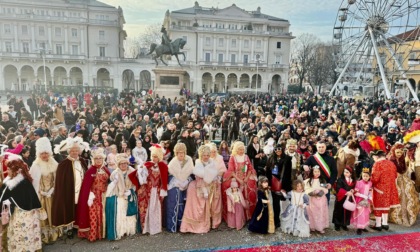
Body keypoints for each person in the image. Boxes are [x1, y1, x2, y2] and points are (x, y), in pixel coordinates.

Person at [0, 158, 43, 252]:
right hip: (18, 213)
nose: (7, 171)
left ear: (16, 170)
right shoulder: (11, 180)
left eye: (9, 169)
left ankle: (24, 249)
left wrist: (9, 201)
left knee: (23, 232)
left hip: (23, 214)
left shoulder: (23, 182)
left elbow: (23, 199)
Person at [52, 137, 89, 239]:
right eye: (72, 151)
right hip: (69, 191)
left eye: (76, 150)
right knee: (69, 208)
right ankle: (69, 229)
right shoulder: (63, 165)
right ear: (69, 151)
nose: (75, 152)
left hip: (81, 190)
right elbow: (60, 182)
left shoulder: (82, 161)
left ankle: (78, 225)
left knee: (79, 207)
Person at [181, 145, 221, 233]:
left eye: (207, 155)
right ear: (200, 155)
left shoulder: (212, 163)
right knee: (199, 205)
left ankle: (212, 222)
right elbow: (200, 177)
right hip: (200, 186)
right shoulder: (198, 163)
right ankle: (197, 226)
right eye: (204, 155)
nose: (206, 157)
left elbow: (214, 175)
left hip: (210, 186)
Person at [29, 137, 59, 243]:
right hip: (41, 194)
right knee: (43, 215)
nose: (45, 155)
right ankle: (45, 235)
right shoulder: (36, 165)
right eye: (42, 153)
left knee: (53, 212)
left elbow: (57, 178)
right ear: (39, 154)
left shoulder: (54, 163)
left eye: (46, 152)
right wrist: (41, 192)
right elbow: (34, 182)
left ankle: (54, 232)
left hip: (52, 194)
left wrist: (53, 189)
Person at [76, 148, 111, 241]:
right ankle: (93, 235)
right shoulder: (90, 170)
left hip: (104, 195)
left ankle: (103, 233)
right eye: (96, 158)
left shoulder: (105, 169)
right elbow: (86, 186)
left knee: (104, 214)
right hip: (94, 196)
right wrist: (89, 195)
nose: (98, 160)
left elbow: (110, 181)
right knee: (94, 214)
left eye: (100, 158)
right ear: (93, 160)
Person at [136, 144, 168, 235]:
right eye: (153, 156)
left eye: (156, 157)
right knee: (147, 208)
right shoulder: (148, 164)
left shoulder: (163, 166)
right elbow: (140, 176)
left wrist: (163, 189)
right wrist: (141, 170)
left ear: (160, 157)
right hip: (148, 190)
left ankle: (156, 228)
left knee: (156, 208)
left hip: (157, 190)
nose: (154, 159)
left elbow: (164, 179)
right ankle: (147, 228)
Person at [105, 153, 139, 240]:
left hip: (129, 194)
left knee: (130, 215)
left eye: (125, 163)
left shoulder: (132, 172)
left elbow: (136, 185)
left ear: (128, 164)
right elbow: (111, 187)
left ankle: (129, 230)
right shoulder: (114, 173)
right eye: (121, 163)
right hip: (119, 196)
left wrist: (131, 191)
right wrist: (115, 182)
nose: (123, 165)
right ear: (118, 164)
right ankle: (121, 231)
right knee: (121, 212)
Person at [222, 141, 257, 222]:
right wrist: (239, 180)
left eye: (242, 149)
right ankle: (238, 216)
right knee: (230, 186)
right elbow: (231, 171)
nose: (241, 151)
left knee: (251, 186)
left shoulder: (246, 157)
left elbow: (250, 169)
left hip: (245, 177)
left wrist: (246, 178)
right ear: (236, 150)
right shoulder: (232, 157)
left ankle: (249, 215)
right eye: (239, 150)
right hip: (236, 177)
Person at [388, 143, 420, 226]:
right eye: (397, 152)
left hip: (403, 179)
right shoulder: (391, 160)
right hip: (395, 180)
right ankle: (395, 215)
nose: (399, 154)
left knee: (409, 193)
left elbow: (405, 169)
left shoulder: (402, 159)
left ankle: (408, 213)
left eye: (401, 152)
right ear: (394, 152)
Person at [166, 143, 194, 232]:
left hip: (186, 186)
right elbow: (170, 175)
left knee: (185, 206)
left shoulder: (189, 160)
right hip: (176, 187)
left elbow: (192, 173)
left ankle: (184, 227)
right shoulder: (173, 162)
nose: (181, 154)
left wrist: (187, 181)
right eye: (179, 152)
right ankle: (173, 226)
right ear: (176, 153)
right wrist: (177, 182)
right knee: (174, 205)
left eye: (182, 152)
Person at [370, 150, 400, 231]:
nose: (373, 159)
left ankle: (378, 224)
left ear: (376, 156)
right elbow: (395, 176)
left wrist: (369, 183)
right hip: (390, 188)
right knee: (386, 205)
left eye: (373, 157)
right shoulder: (391, 163)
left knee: (378, 206)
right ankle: (385, 223)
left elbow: (375, 178)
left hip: (380, 188)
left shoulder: (377, 164)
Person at [264, 145, 292, 228]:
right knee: (275, 204)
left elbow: (288, 174)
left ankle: (286, 219)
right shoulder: (271, 158)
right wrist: (268, 184)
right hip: (273, 183)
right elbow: (268, 173)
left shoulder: (287, 159)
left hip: (283, 183)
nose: (278, 151)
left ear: (282, 150)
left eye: (279, 149)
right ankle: (276, 220)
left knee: (284, 203)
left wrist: (285, 187)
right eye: (276, 149)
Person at [304, 166, 329, 234]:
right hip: (312, 199)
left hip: (321, 200)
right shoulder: (309, 180)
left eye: (318, 171)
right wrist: (312, 192)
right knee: (312, 213)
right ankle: (312, 226)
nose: (317, 173)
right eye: (315, 171)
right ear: (312, 172)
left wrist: (321, 191)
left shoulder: (322, 180)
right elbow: (306, 189)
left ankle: (320, 227)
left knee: (320, 213)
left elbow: (326, 190)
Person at [332, 166, 355, 231]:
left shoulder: (353, 180)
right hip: (341, 198)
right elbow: (338, 188)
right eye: (344, 172)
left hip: (348, 198)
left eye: (347, 172)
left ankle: (344, 224)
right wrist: (346, 192)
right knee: (339, 211)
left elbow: (354, 188)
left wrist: (353, 191)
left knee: (347, 211)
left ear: (351, 173)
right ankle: (337, 224)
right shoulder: (340, 179)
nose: (345, 173)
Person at [351, 168, 372, 235]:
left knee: (366, 214)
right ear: (362, 176)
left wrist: (369, 196)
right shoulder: (359, 183)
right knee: (360, 214)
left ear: (369, 177)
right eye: (364, 176)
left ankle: (364, 226)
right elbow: (355, 193)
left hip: (366, 201)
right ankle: (359, 228)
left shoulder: (370, 183)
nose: (365, 178)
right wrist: (363, 196)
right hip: (360, 200)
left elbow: (370, 191)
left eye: (367, 176)